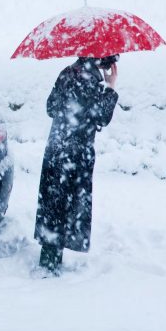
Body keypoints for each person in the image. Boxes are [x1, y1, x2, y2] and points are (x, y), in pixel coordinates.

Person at [35, 54, 119, 275]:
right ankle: (50, 265)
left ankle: (49, 258)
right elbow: (100, 117)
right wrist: (110, 88)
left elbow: (51, 108)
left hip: (56, 148)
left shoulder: (67, 72)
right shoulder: (90, 79)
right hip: (76, 152)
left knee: (53, 204)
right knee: (68, 205)